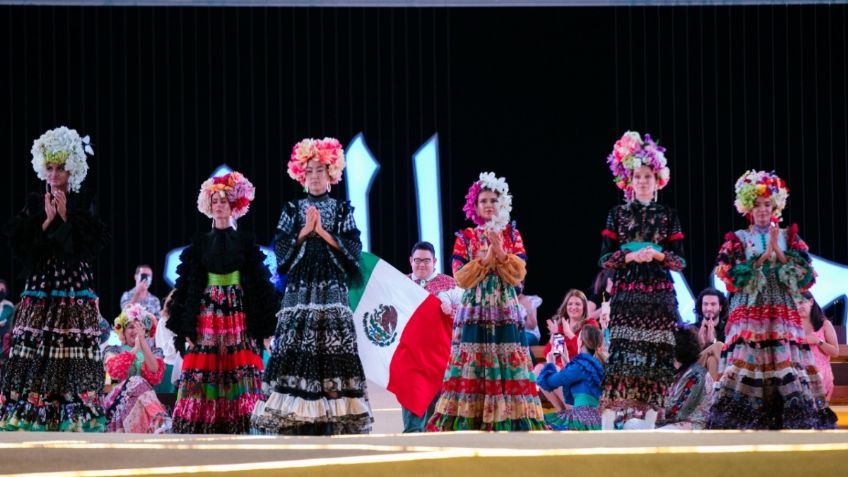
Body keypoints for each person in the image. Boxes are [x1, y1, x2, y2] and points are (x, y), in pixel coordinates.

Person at [252, 137, 372, 435]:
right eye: (309, 171)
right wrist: (305, 232)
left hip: (331, 285)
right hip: (300, 288)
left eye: (320, 170)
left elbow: (355, 251)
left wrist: (324, 233)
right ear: (301, 176)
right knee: (298, 342)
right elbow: (279, 253)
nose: (315, 176)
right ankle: (298, 414)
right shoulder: (292, 209)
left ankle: (333, 414)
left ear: (331, 174)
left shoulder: (342, 209)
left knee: (331, 344)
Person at [708, 170, 834, 429]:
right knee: (750, 356)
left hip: (781, 308)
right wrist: (764, 257)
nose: (763, 210)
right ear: (748, 207)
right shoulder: (739, 239)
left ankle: (786, 417)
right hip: (750, 309)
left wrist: (780, 253)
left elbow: (806, 275)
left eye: (767, 204)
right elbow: (729, 275)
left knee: (782, 357)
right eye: (757, 204)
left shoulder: (789, 237)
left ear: (776, 206)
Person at [1, 126, 107, 432]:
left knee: (69, 344)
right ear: (42, 168)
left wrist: (65, 219)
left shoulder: (83, 200)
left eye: (61, 168)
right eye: (50, 167)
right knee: (37, 344)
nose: (54, 174)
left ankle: (74, 416)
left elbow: (87, 248)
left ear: (71, 168)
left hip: (72, 285)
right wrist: (47, 222)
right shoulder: (35, 202)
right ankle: (31, 412)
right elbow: (24, 252)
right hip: (40, 286)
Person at [427, 172, 546, 431]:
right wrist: (486, 257)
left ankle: (510, 415)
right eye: (483, 200)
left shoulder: (512, 234)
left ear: (501, 203)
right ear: (475, 205)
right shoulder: (466, 236)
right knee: (473, 357)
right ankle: (471, 415)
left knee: (506, 356)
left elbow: (518, 273)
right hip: (475, 307)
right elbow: (460, 275)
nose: (489, 204)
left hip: (504, 304)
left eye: (493, 199)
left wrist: (500, 251)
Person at [166, 171, 279, 434]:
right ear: (209, 205)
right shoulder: (200, 242)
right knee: (207, 363)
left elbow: (260, 283)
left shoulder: (244, 240)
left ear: (233, 206)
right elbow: (188, 284)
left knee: (238, 362)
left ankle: (242, 420)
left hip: (237, 312)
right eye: (215, 201)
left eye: (224, 201)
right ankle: (205, 422)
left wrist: (264, 329)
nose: (219, 205)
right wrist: (185, 328)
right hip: (207, 310)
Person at [600, 131, 685, 417]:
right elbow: (604, 258)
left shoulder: (668, 214)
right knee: (626, 348)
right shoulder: (617, 213)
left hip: (659, 291)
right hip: (627, 291)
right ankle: (621, 412)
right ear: (629, 181)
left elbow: (679, 261)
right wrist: (629, 255)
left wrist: (658, 254)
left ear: (657, 179)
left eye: (648, 176)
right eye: (638, 176)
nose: (643, 181)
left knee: (657, 352)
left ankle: (652, 413)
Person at [402, 241, 462, 432]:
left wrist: (450, 309)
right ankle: (411, 442)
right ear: (411, 260)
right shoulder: (400, 284)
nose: (421, 264)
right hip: (409, 356)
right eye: (417, 260)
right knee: (412, 403)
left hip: (439, 358)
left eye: (426, 260)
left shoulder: (449, 284)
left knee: (435, 413)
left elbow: (467, 312)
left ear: (434, 261)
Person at [102, 304, 171, 433]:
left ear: (146, 331)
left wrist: (143, 344)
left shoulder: (155, 352)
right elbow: (114, 372)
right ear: (123, 330)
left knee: (138, 384)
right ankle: (160, 421)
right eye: (131, 327)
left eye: (140, 327)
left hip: (143, 405)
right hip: (118, 405)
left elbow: (156, 374)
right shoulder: (113, 350)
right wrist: (135, 350)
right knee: (135, 380)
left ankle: (158, 425)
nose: (136, 331)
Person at [536, 325, 606, 431]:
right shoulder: (598, 363)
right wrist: (568, 364)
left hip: (581, 419)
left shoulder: (581, 364)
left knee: (539, 423)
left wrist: (550, 364)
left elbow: (548, 382)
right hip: (596, 419)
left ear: (581, 342)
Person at [656, 326, 713, 430]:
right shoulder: (684, 371)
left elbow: (677, 412)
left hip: (695, 425)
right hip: (677, 422)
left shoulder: (695, 375)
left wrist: (655, 406)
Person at [796, 291, 839, 404]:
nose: (798, 307)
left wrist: (817, 341)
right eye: (794, 304)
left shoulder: (824, 324)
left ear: (811, 302)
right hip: (797, 373)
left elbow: (835, 352)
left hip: (820, 375)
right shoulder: (792, 326)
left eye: (801, 302)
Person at [693, 288, 728, 381]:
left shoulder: (728, 328)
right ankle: (727, 380)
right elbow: (688, 358)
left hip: (714, 369)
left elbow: (730, 355)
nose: (708, 308)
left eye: (713, 304)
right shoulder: (692, 328)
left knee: (712, 360)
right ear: (701, 306)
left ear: (720, 307)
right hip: (695, 370)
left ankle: (716, 393)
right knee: (719, 345)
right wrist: (701, 344)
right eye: (705, 304)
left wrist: (713, 341)